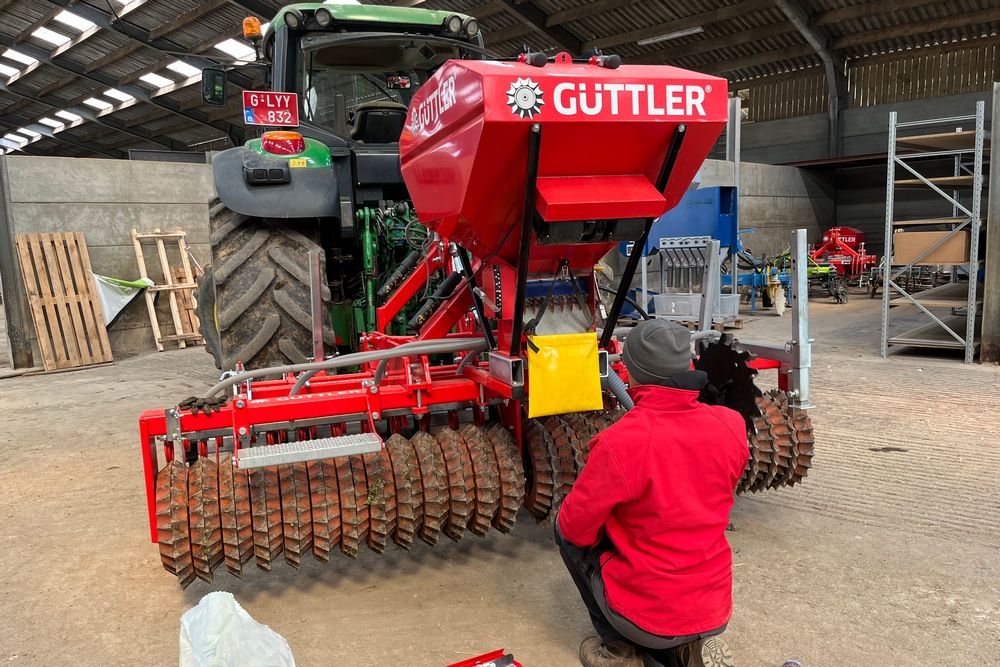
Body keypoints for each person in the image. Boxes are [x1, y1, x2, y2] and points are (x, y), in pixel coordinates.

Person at [554, 319, 749, 667]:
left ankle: (619, 648)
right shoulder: (731, 424)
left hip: (648, 614)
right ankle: (687, 645)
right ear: (688, 365)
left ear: (630, 373)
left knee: (564, 529)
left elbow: (575, 526)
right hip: (715, 607)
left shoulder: (621, 442)